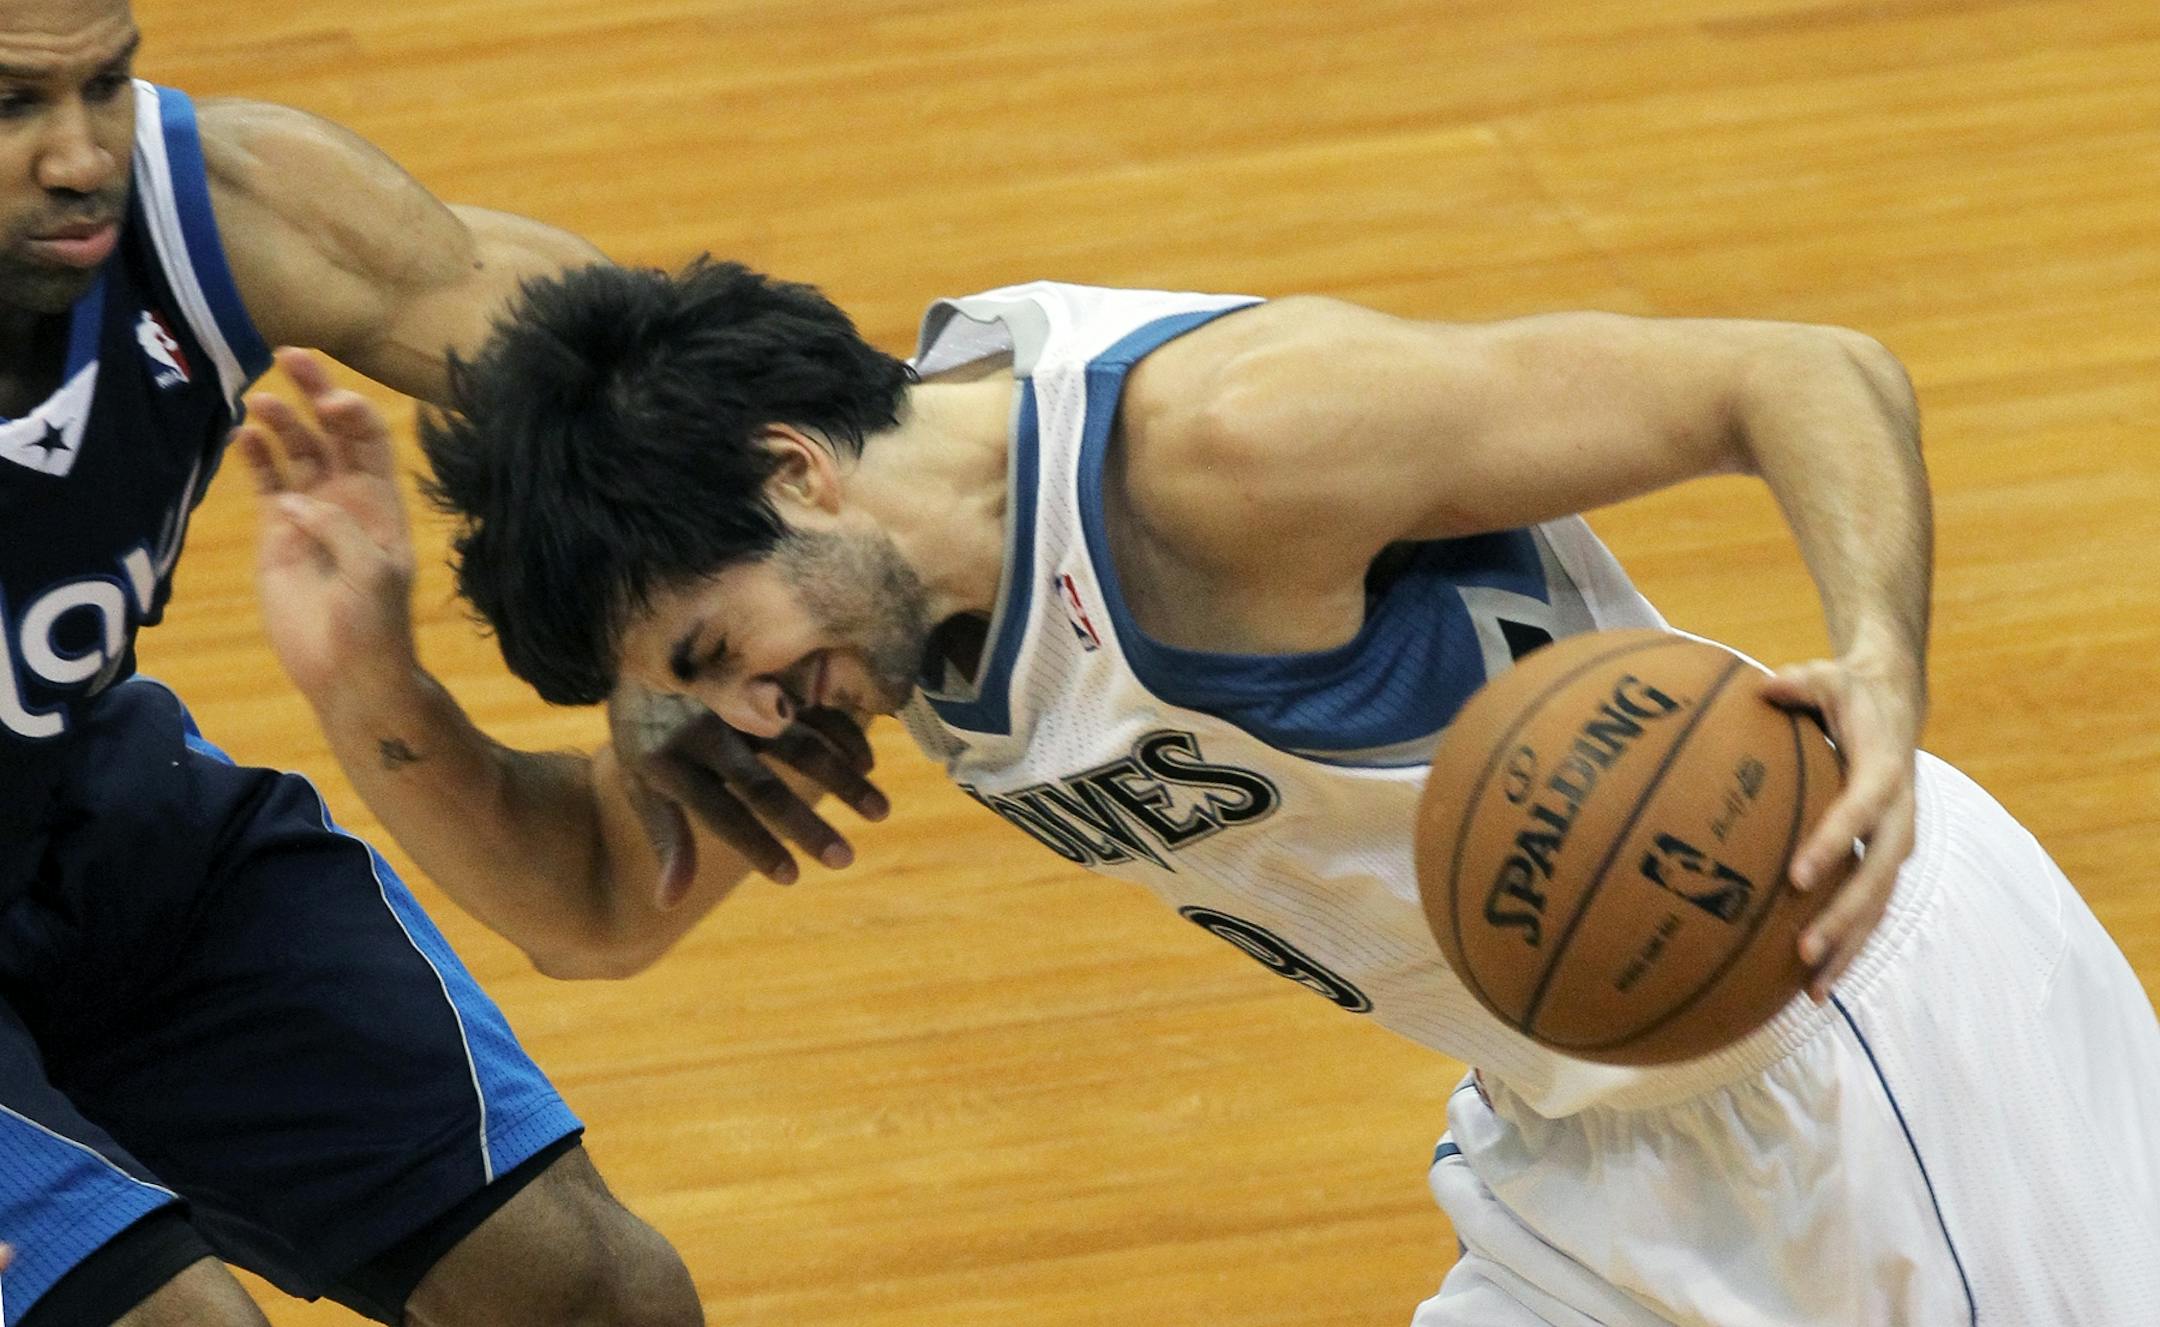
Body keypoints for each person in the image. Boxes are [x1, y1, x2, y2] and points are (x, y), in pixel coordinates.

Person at [259, 258, 2160, 1324]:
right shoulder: (873, 585)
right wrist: (364, 679)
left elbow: (1799, 371)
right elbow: (597, 912)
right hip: (1589, 1129)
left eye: (708, 651)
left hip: (1849, 1026)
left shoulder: (1228, 454)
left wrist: (1881, 666)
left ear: (796, 472)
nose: (741, 714)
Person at [0, 3, 885, 1322]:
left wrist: (686, 662)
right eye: (13, 103)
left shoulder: (225, 202)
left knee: (596, 1297)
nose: (82, 158)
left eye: (107, 83)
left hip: (91, 816)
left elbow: (653, 397)